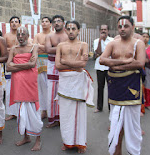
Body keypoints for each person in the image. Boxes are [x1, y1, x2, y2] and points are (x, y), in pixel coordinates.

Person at [100, 16, 146, 155]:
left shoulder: (139, 43)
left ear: (132, 26)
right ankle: (116, 152)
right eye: (120, 26)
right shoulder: (113, 43)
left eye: (125, 26)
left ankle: (133, 152)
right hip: (115, 88)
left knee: (132, 126)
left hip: (132, 88)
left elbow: (139, 63)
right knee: (116, 124)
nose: (122, 29)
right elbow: (102, 59)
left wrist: (113, 64)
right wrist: (125, 62)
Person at [55, 21, 94, 153]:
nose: (71, 31)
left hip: (78, 82)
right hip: (65, 82)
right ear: (65, 31)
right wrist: (74, 65)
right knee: (65, 114)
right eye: (69, 29)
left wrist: (65, 61)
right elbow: (57, 66)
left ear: (78, 31)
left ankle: (80, 143)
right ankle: (67, 142)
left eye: (74, 29)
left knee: (79, 113)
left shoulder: (84, 45)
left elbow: (82, 64)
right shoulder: (60, 45)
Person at [7, 26, 43, 151]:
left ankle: (38, 139)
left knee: (33, 111)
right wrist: (26, 65)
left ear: (28, 36)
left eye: (23, 34)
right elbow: (8, 67)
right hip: (18, 84)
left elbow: (33, 64)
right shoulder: (13, 49)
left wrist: (16, 65)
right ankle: (26, 137)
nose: (20, 37)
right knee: (21, 112)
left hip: (30, 83)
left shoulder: (34, 47)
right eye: (18, 35)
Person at [45, 15, 69, 128]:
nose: (57, 23)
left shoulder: (68, 35)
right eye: (54, 21)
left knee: (65, 93)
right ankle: (53, 119)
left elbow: (70, 49)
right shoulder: (49, 36)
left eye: (59, 21)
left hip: (65, 66)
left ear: (63, 23)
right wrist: (63, 48)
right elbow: (48, 49)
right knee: (51, 93)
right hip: (51, 66)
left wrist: (58, 49)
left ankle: (63, 118)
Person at [33, 16, 53, 119]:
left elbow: (50, 49)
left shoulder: (53, 34)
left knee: (50, 87)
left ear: (50, 24)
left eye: (46, 21)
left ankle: (52, 111)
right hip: (40, 62)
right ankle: (43, 110)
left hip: (51, 62)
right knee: (40, 87)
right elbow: (34, 47)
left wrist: (41, 46)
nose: (44, 23)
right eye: (43, 21)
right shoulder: (38, 35)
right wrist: (44, 47)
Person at [3, 16, 21, 121]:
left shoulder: (22, 34)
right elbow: (4, 49)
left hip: (20, 63)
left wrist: (13, 50)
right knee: (9, 89)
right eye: (12, 22)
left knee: (20, 87)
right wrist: (13, 49)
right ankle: (11, 112)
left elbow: (25, 48)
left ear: (19, 24)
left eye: (16, 22)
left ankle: (20, 110)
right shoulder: (6, 36)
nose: (14, 23)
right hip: (10, 63)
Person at [93, 24, 113, 113]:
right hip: (99, 67)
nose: (103, 31)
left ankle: (111, 107)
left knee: (111, 87)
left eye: (105, 29)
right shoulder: (96, 41)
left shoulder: (112, 41)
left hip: (110, 67)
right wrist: (100, 40)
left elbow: (111, 53)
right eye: (102, 29)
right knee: (100, 87)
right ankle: (99, 107)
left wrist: (102, 54)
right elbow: (97, 52)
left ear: (108, 31)